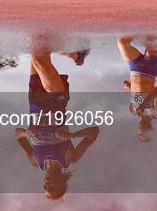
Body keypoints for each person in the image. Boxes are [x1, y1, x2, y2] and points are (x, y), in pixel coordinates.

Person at [15, 47, 99, 199]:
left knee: (36, 51)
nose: (47, 183)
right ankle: (73, 54)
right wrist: (72, 135)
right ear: (62, 182)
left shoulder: (35, 161)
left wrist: (27, 132)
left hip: (34, 101)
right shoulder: (70, 158)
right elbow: (94, 132)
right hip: (56, 101)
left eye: (45, 186)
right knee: (40, 57)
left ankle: (75, 55)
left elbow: (18, 135)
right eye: (52, 186)